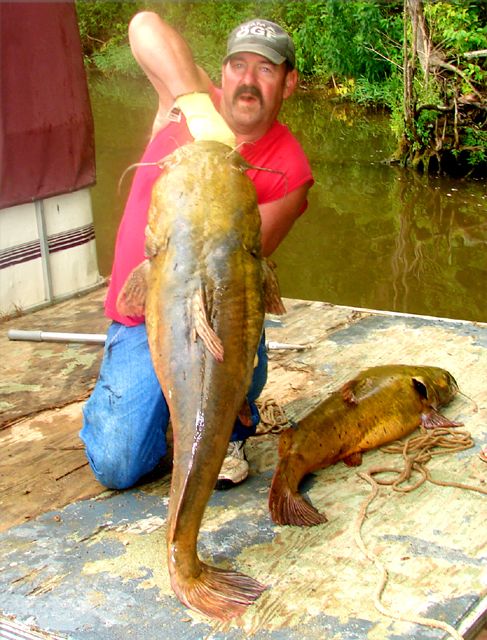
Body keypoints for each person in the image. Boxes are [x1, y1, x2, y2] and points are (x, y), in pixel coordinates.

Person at [80, 12, 314, 491]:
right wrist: (194, 105)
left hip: (217, 316)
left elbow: (237, 277)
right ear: (222, 72)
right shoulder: (186, 100)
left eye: (266, 70)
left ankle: (227, 424)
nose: (247, 81)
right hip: (139, 318)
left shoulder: (289, 170)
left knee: (233, 318)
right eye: (238, 66)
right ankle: (149, 407)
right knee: (118, 464)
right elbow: (143, 25)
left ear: (289, 84)